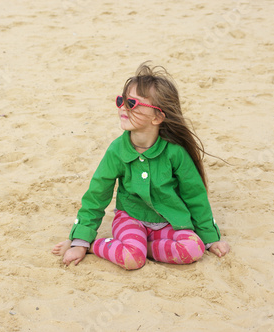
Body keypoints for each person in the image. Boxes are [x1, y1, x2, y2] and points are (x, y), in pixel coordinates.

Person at [52, 62, 230, 270]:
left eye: (132, 103)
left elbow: (195, 195)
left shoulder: (175, 152)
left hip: (167, 221)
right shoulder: (117, 150)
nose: (123, 108)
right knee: (131, 260)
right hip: (130, 219)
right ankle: (96, 246)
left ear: (157, 117)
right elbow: (97, 195)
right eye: (121, 100)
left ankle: (139, 248)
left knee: (194, 249)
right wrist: (80, 241)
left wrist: (210, 237)